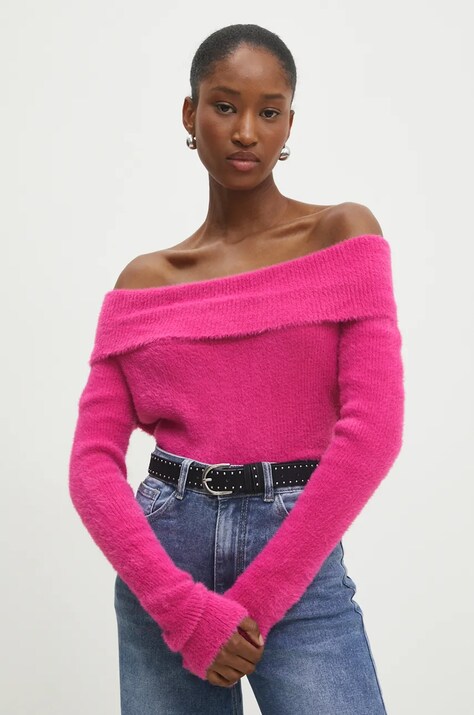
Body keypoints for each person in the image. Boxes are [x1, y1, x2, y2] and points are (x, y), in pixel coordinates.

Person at [69, 23, 405, 715]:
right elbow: (90, 465)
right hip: (164, 568)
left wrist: (254, 603)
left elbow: (373, 432)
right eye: (224, 106)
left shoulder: (342, 234)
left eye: (269, 111)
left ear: (289, 124)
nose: (247, 131)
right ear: (190, 114)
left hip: (297, 559)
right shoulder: (144, 281)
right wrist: (181, 609)